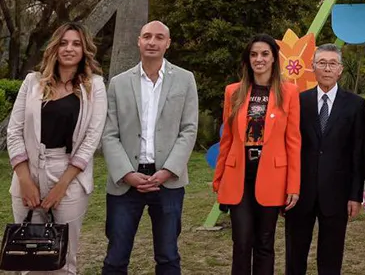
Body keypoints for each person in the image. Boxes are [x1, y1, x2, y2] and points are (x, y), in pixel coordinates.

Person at [7, 22, 107, 275]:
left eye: (76, 44)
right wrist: (25, 179)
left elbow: (91, 139)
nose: (69, 49)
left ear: (85, 50)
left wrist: (62, 185)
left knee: (61, 259)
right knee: (27, 257)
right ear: (54, 47)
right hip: (28, 170)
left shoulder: (94, 86)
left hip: (69, 174)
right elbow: (14, 130)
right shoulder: (32, 81)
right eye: (63, 43)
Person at [101, 20, 198, 275]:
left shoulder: (185, 80)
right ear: (139, 41)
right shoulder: (119, 83)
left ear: (168, 43)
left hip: (167, 182)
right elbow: (110, 133)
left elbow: (188, 129)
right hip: (126, 182)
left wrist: (168, 170)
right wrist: (127, 174)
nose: (152, 42)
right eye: (146, 36)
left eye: (158, 37)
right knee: (116, 257)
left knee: (168, 257)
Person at [213, 34, 301, 275]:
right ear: (247, 59)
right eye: (254, 54)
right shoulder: (233, 91)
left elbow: (293, 141)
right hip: (238, 176)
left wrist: (293, 184)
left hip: (273, 177)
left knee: (265, 243)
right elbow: (227, 139)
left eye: (264, 54)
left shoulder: (289, 92)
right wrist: (218, 178)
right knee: (241, 242)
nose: (259, 59)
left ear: (274, 58)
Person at [285, 44, 365, 275]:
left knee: (331, 257)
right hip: (299, 192)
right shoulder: (298, 101)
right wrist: (287, 186)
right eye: (322, 63)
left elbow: (357, 153)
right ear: (313, 68)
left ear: (340, 69)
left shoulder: (355, 104)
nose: (327, 68)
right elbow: (288, 147)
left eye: (332, 63)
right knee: (294, 254)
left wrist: (355, 195)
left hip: (337, 194)